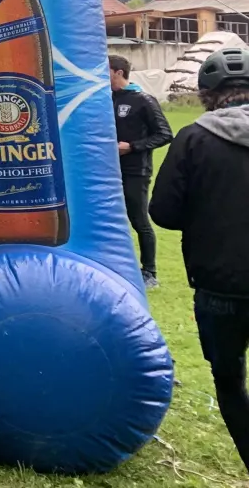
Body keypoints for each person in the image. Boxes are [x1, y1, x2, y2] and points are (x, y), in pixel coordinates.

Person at [151, 47, 249, 472]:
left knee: (229, 383)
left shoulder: (193, 138)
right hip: (218, 281)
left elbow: (164, 213)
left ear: (207, 94)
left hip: (219, 283)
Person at [109, 54, 172, 288]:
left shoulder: (143, 99)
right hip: (108, 171)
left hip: (136, 170)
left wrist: (132, 147)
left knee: (139, 220)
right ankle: (120, 266)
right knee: (113, 220)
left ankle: (150, 273)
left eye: (105, 70)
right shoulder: (105, 99)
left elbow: (165, 134)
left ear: (117, 72)